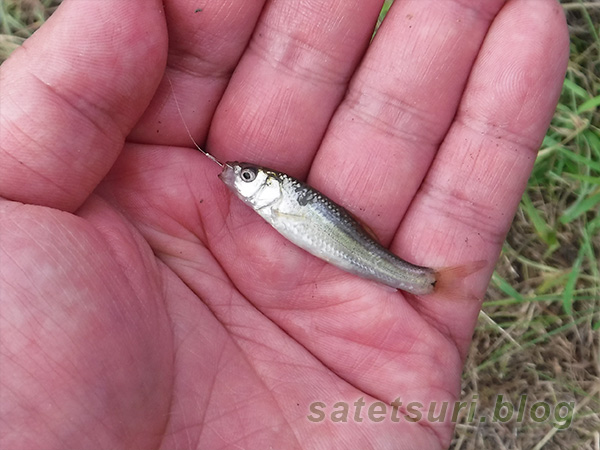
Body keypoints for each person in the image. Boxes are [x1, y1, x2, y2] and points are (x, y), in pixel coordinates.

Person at [0, 0, 568, 448]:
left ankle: (423, 279)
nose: (237, 179)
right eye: (245, 177)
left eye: (246, 178)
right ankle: (421, 279)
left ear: (268, 189)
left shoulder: (277, 198)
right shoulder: (271, 199)